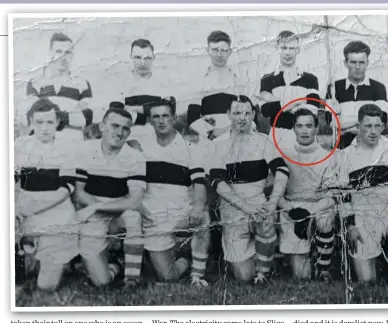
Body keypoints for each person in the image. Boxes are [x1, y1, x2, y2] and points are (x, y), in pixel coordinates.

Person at [207, 95, 290, 284]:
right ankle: (261, 253)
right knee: (244, 276)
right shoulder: (218, 144)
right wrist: (246, 207)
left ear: (253, 114)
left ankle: (264, 270)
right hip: (233, 209)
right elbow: (218, 183)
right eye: (236, 113)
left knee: (267, 219)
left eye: (246, 113)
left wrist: (273, 202)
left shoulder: (263, 141)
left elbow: (282, 170)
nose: (242, 118)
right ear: (228, 114)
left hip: (259, 204)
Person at [133, 97, 211, 286]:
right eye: (156, 117)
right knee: (168, 278)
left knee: (204, 218)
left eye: (165, 116)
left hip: (181, 215)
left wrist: (198, 207)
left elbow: (199, 184)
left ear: (174, 118)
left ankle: (197, 276)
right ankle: (185, 258)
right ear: (150, 120)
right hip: (153, 218)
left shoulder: (190, 148)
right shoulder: (142, 147)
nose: (161, 121)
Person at [338, 104, 388, 283]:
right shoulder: (346, 155)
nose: (373, 131)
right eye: (367, 126)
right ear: (358, 127)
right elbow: (343, 195)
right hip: (362, 212)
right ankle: (384, 258)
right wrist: (350, 226)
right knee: (367, 281)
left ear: (382, 127)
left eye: (377, 126)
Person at [72, 108, 146, 288]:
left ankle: (131, 279)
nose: (120, 133)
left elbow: (135, 201)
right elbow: (79, 193)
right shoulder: (85, 150)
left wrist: (98, 206)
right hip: (92, 217)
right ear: (102, 126)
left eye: (125, 129)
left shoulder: (135, 156)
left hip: (116, 215)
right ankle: (116, 264)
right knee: (102, 282)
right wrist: (97, 209)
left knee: (133, 217)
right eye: (114, 125)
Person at [14, 98, 80, 291]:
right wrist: (15, 208)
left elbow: (65, 190)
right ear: (31, 122)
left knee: (47, 286)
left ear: (58, 122)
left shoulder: (66, 148)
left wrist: (30, 209)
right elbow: (13, 181)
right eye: (39, 122)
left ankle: (52, 256)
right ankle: (19, 260)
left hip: (56, 211)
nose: (44, 128)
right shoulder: (20, 145)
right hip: (24, 206)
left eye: (49, 122)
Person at [276, 107, 338, 281]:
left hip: (318, 206)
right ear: (294, 129)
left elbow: (331, 192)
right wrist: (291, 210)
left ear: (316, 129)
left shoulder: (326, 156)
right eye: (300, 126)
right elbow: (275, 194)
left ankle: (323, 267)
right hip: (292, 210)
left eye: (309, 126)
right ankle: (300, 254)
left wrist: (313, 213)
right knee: (301, 276)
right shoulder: (283, 155)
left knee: (325, 218)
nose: (304, 130)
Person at [21, 32, 95, 142]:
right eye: (58, 51)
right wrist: (70, 114)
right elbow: (31, 117)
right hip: (42, 144)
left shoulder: (82, 84)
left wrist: (49, 115)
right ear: (50, 53)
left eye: (67, 52)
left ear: (72, 54)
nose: (63, 57)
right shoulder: (35, 83)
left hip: (72, 142)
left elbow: (87, 118)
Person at [259, 30, 322, 150]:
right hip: (277, 136)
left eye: (292, 48)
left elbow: (313, 108)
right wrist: (298, 101)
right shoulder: (267, 79)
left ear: (298, 50)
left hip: (303, 137)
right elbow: (265, 110)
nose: (288, 52)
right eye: (284, 48)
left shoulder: (310, 79)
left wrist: (278, 102)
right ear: (277, 49)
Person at [187, 31, 253, 141]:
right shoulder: (200, 81)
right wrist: (213, 134)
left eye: (223, 50)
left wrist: (231, 132)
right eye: (215, 50)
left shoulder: (239, 80)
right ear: (208, 51)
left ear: (230, 51)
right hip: (209, 141)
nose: (219, 55)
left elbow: (250, 116)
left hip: (237, 139)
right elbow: (192, 118)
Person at [324, 41, 388, 150]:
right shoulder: (334, 87)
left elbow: (381, 122)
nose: (358, 67)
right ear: (345, 63)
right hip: (342, 147)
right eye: (353, 62)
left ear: (367, 63)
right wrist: (365, 121)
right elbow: (331, 122)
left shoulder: (379, 88)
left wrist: (344, 123)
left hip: (370, 148)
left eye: (362, 62)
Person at [108, 39, 169, 143]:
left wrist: (134, 109)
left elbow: (169, 112)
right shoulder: (120, 83)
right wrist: (150, 113)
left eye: (147, 58)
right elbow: (116, 115)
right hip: (127, 141)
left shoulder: (163, 83)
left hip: (159, 141)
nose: (142, 63)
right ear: (130, 57)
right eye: (137, 57)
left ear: (154, 58)